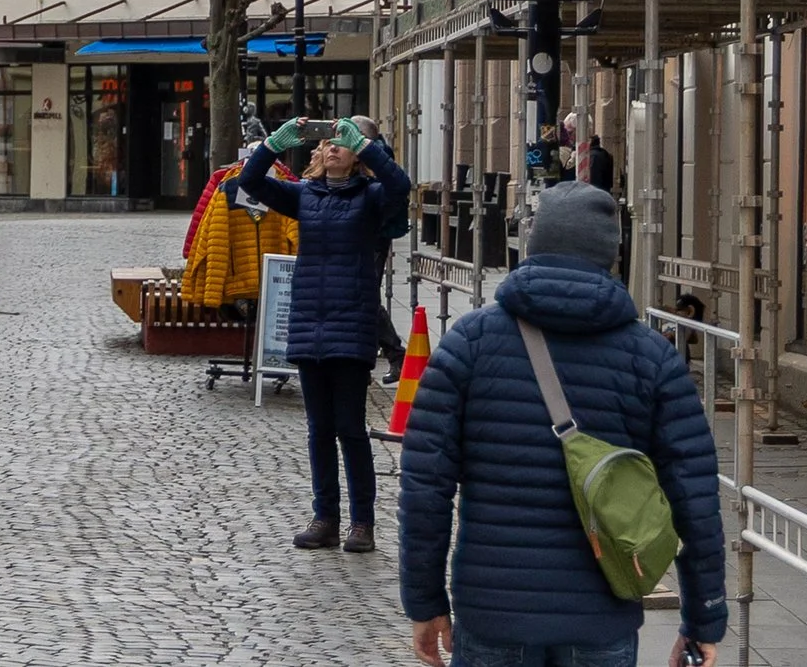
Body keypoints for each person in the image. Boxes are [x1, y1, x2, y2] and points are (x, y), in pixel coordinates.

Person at [400, 181, 726, 667]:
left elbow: (425, 487)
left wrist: (425, 602)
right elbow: (693, 497)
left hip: (494, 610)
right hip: (601, 616)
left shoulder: (469, 343)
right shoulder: (652, 357)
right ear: (612, 255)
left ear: (533, 245)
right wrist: (702, 617)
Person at [240, 112, 412, 554]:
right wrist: (274, 143)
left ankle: (362, 522)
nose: (331, 146)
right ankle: (325, 518)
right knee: (318, 429)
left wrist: (368, 145)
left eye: (341, 142)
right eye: (327, 142)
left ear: (355, 157)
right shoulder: (304, 196)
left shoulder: (372, 196)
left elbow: (400, 185)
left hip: (351, 322)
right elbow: (251, 181)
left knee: (350, 428)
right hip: (309, 322)